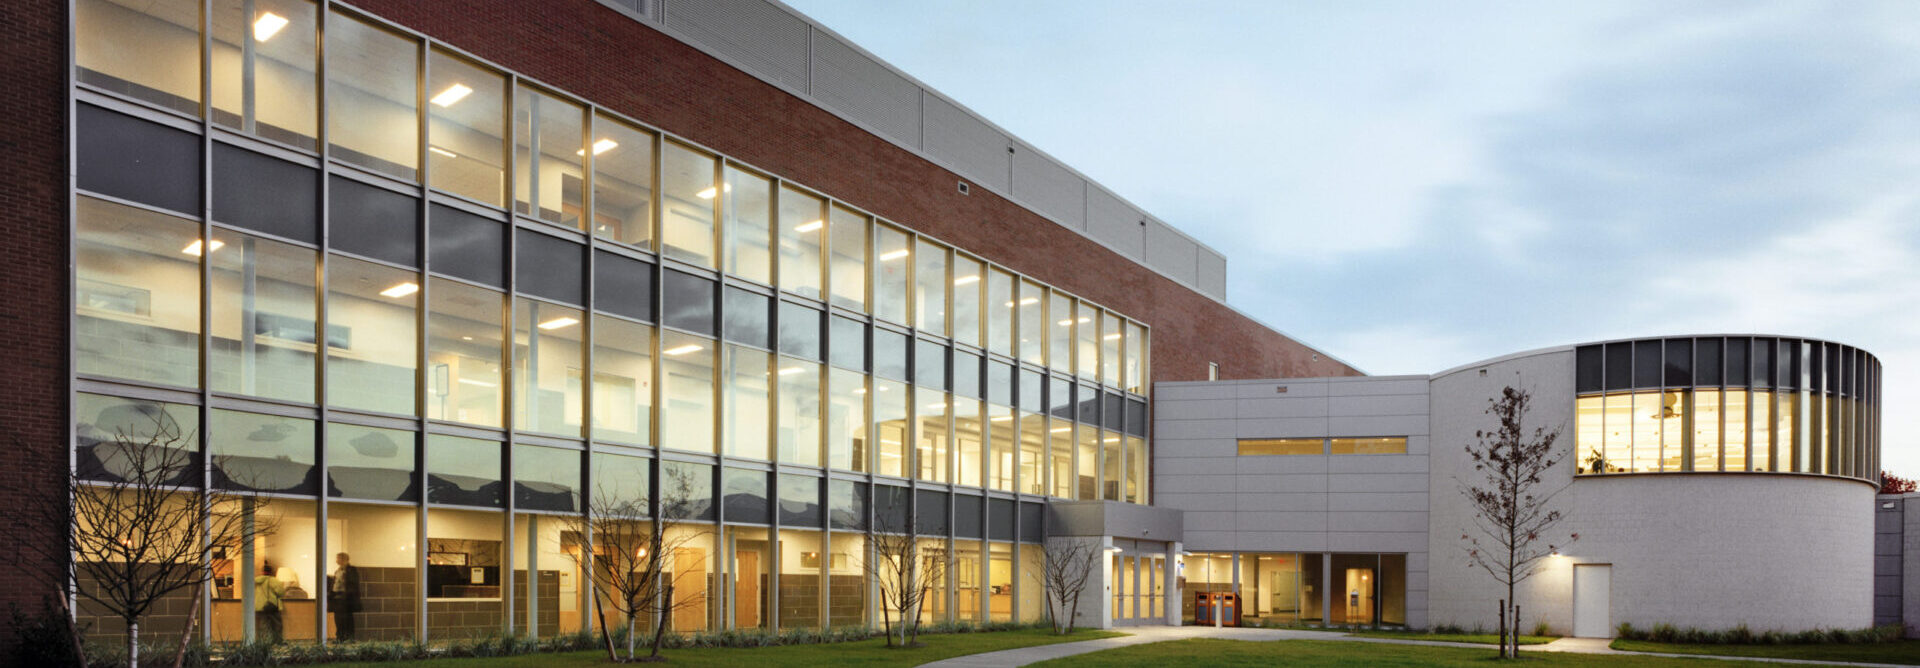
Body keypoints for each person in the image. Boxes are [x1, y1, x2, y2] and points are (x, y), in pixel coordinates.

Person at [328, 552, 363, 641]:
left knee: (347, 618)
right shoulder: (338, 571)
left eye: (338, 558)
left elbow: (352, 584)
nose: (337, 560)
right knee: (338, 618)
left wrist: (347, 595)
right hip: (337, 597)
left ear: (344, 559)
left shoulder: (351, 570)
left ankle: (348, 637)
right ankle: (340, 636)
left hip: (346, 599)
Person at [255, 562, 286, 645]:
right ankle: (277, 641)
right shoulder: (274, 581)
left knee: (263, 625)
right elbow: (281, 593)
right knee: (277, 624)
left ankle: (264, 642)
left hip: (260, 606)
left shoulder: (256, 581)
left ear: (262, 571)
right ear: (271, 572)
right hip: (272, 605)